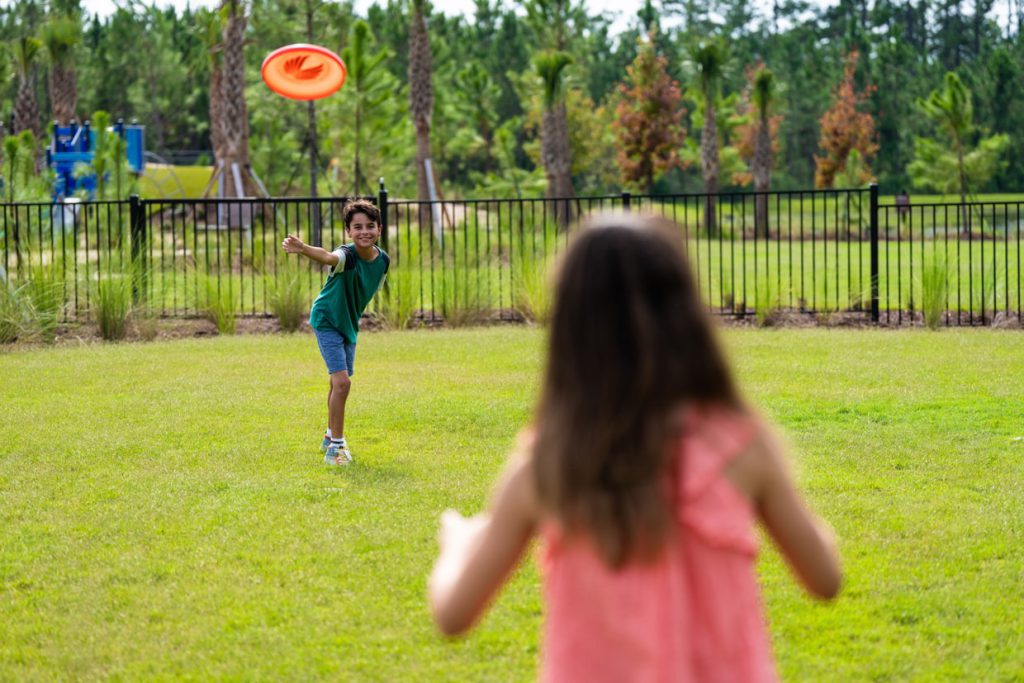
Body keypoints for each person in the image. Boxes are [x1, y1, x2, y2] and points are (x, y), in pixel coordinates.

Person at [428, 212, 841, 681]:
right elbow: (825, 578)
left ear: (571, 327)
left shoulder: (548, 464)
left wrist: (458, 546)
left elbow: (453, 613)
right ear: (686, 314)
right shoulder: (738, 445)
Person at [282, 198, 390, 465]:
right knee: (342, 383)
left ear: (379, 229)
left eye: (370, 226)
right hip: (327, 319)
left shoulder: (383, 260)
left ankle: (329, 436)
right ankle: (337, 450)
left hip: (347, 323)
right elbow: (329, 256)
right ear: (348, 232)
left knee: (336, 383)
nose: (364, 231)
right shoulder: (347, 256)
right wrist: (303, 248)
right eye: (357, 227)